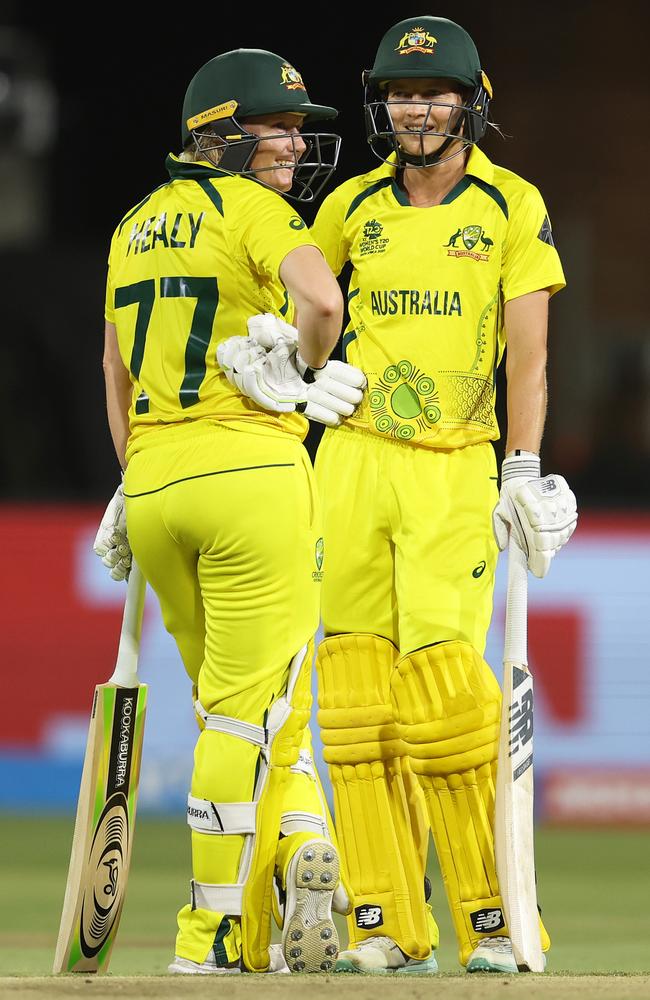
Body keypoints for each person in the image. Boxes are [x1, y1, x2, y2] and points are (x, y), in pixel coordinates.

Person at [305, 16, 578, 975]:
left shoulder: (510, 205)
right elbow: (294, 293)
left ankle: (495, 923)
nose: (416, 111)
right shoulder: (348, 206)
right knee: (352, 700)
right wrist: (300, 377)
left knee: (446, 700)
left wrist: (523, 466)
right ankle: (384, 926)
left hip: (455, 461)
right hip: (349, 459)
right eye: (400, 95)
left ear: (471, 102)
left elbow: (531, 360)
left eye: (434, 95)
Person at [94, 47, 365, 976]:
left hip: (160, 484)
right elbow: (321, 299)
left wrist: (134, 479)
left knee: (244, 713)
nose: (295, 141)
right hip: (252, 475)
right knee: (249, 720)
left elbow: (116, 371)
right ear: (219, 136)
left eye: (295, 126)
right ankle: (207, 941)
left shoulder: (131, 225)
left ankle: (298, 852)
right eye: (276, 126)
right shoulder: (251, 206)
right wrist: (300, 370)